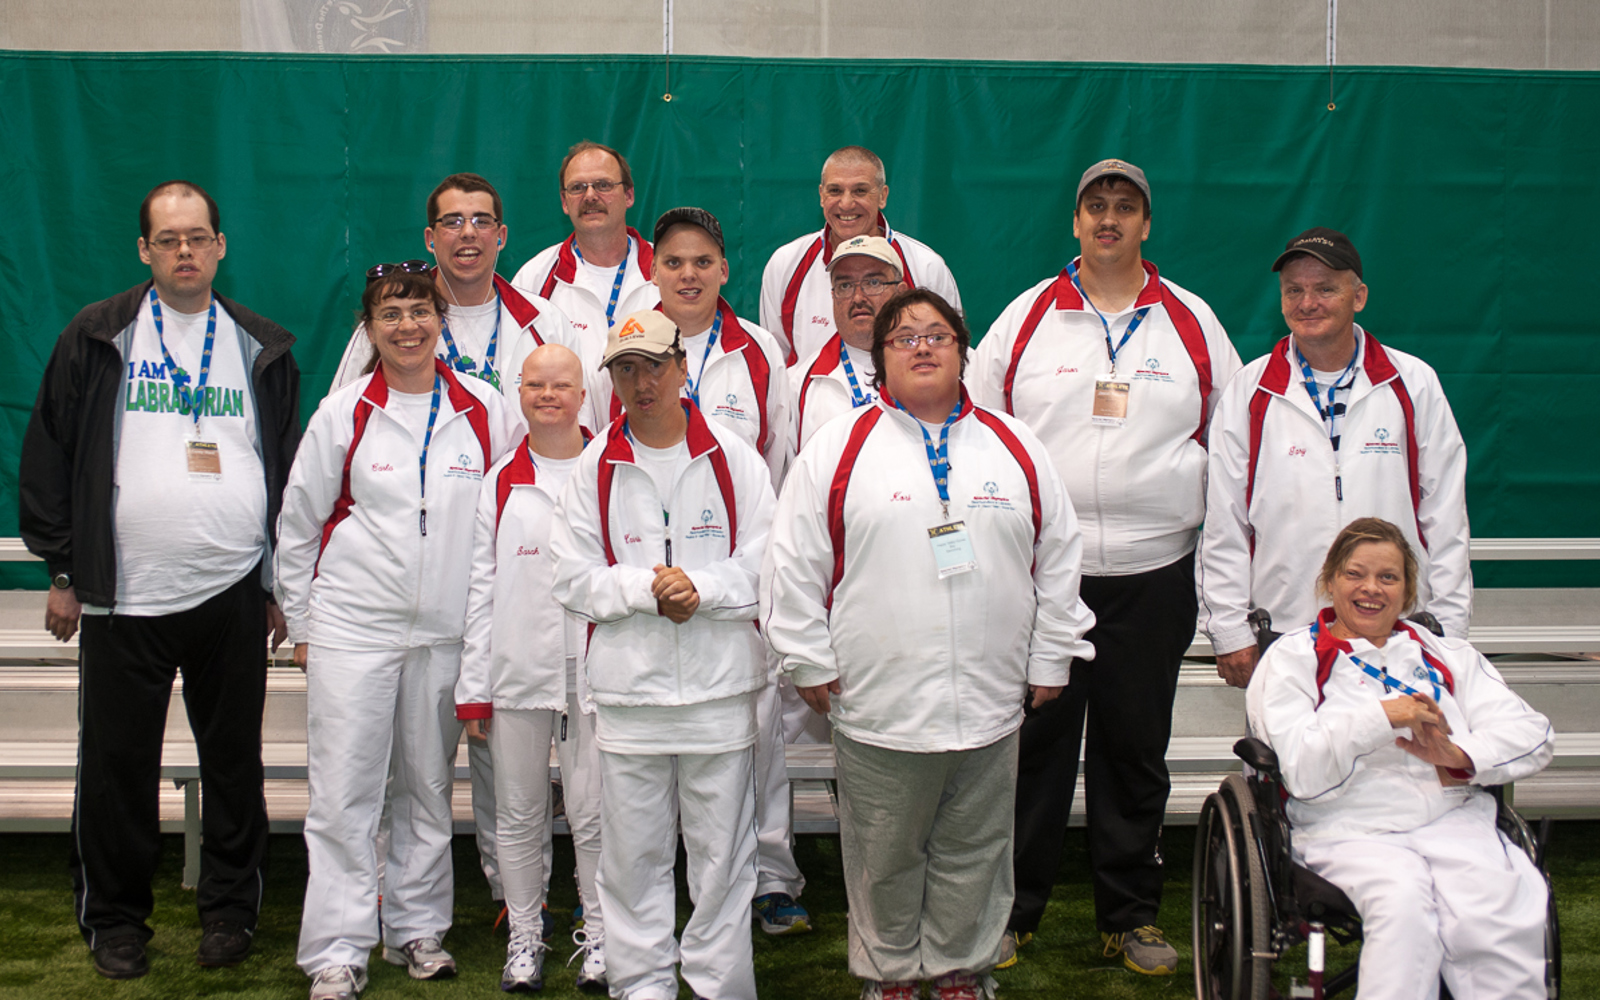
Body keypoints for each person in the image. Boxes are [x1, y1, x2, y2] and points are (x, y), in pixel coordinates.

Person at [763, 288, 1096, 1000]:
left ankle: (956, 970)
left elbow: (1060, 555)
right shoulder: (839, 445)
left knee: (974, 849)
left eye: (937, 334)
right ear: (881, 357)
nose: (921, 347)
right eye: (903, 336)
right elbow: (793, 561)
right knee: (885, 855)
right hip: (880, 699)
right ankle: (888, 976)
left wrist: (1049, 657)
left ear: (961, 349)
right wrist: (809, 659)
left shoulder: (1014, 443)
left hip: (990, 697)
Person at [18, 179, 300, 980]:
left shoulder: (260, 345)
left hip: (234, 592)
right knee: (116, 771)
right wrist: (65, 569)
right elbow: (49, 454)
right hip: (122, 595)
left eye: (198, 237)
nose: (184, 250)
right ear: (144, 249)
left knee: (234, 764)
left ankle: (229, 914)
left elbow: (284, 471)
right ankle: (115, 920)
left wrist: (278, 582)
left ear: (220, 247)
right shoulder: (98, 334)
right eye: (168, 238)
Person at [970, 158, 1241, 974]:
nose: (1111, 219)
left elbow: (1231, 446)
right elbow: (982, 431)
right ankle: (1010, 914)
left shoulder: (1191, 321)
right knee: (1033, 751)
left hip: (1155, 575)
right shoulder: (1026, 318)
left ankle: (1130, 916)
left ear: (1146, 223)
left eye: (1126, 207)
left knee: (1134, 749)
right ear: (1077, 222)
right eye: (1097, 206)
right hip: (1047, 579)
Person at [275, 268, 521, 1000]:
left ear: (441, 319)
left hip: (446, 633)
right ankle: (337, 949)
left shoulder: (487, 410)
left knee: (425, 788)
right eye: (392, 313)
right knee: (345, 794)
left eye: (420, 310)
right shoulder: (343, 413)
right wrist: (303, 623)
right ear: (370, 328)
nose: (408, 325)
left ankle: (417, 931)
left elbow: (510, 517)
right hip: (354, 628)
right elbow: (297, 524)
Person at [551, 309, 775, 1000]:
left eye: (653, 365)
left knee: (722, 861)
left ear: (682, 366)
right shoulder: (594, 465)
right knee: (632, 860)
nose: (641, 382)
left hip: (719, 694)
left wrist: (700, 588)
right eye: (624, 369)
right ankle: (641, 987)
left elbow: (769, 564)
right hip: (631, 698)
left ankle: (719, 987)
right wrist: (651, 589)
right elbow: (571, 575)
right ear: (610, 381)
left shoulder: (736, 457)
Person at [1246, 517, 1553, 1000]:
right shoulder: (1291, 659)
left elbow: (1533, 734)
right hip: (1348, 828)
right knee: (1403, 906)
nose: (1371, 589)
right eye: (1355, 574)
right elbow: (1301, 768)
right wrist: (1381, 717)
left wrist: (1460, 754)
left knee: (1494, 908)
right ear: (1329, 581)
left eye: (1388, 577)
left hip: (1452, 819)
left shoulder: (1447, 654)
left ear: (1408, 591)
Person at [1200, 227, 1472, 689]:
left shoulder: (1413, 383)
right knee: (1289, 760)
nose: (1308, 303)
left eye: (1326, 288)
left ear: (1359, 295)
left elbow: (1445, 514)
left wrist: (1449, 627)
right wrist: (1228, 629)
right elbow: (1224, 521)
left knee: (1397, 757)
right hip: (1286, 633)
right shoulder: (1250, 391)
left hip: (1397, 629)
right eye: (1295, 291)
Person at [455, 343, 608, 992]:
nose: (549, 396)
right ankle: (524, 934)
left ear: (583, 394)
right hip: (516, 677)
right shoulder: (500, 480)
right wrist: (474, 692)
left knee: (595, 814)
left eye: (562, 385)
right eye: (536, 384)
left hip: (596, 682)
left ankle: (600, 934)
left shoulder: (609, 467)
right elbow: (481, 587)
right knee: (516, 815)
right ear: (519, 392)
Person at [760, 145, 961, 365]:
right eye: (835, 191)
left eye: (860, 191)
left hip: (903, 401)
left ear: (882, 196)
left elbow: (952, 355)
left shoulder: (927, 267)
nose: (846, 203)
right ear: (821, 195)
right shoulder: (785, 264)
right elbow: (774, 362)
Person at [512, 141, 660, 358]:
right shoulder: (534, 279)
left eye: (603, 185)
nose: (590, 196)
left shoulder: (669, 269)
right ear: (564, 202)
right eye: (577, 188)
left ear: (629, 195)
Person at [789, 234, 905, 454]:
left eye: (873, 282)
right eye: (845, 285)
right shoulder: (798, 385)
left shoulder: (946, 365)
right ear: (832, 297)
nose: (858, 297)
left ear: (901, 293)